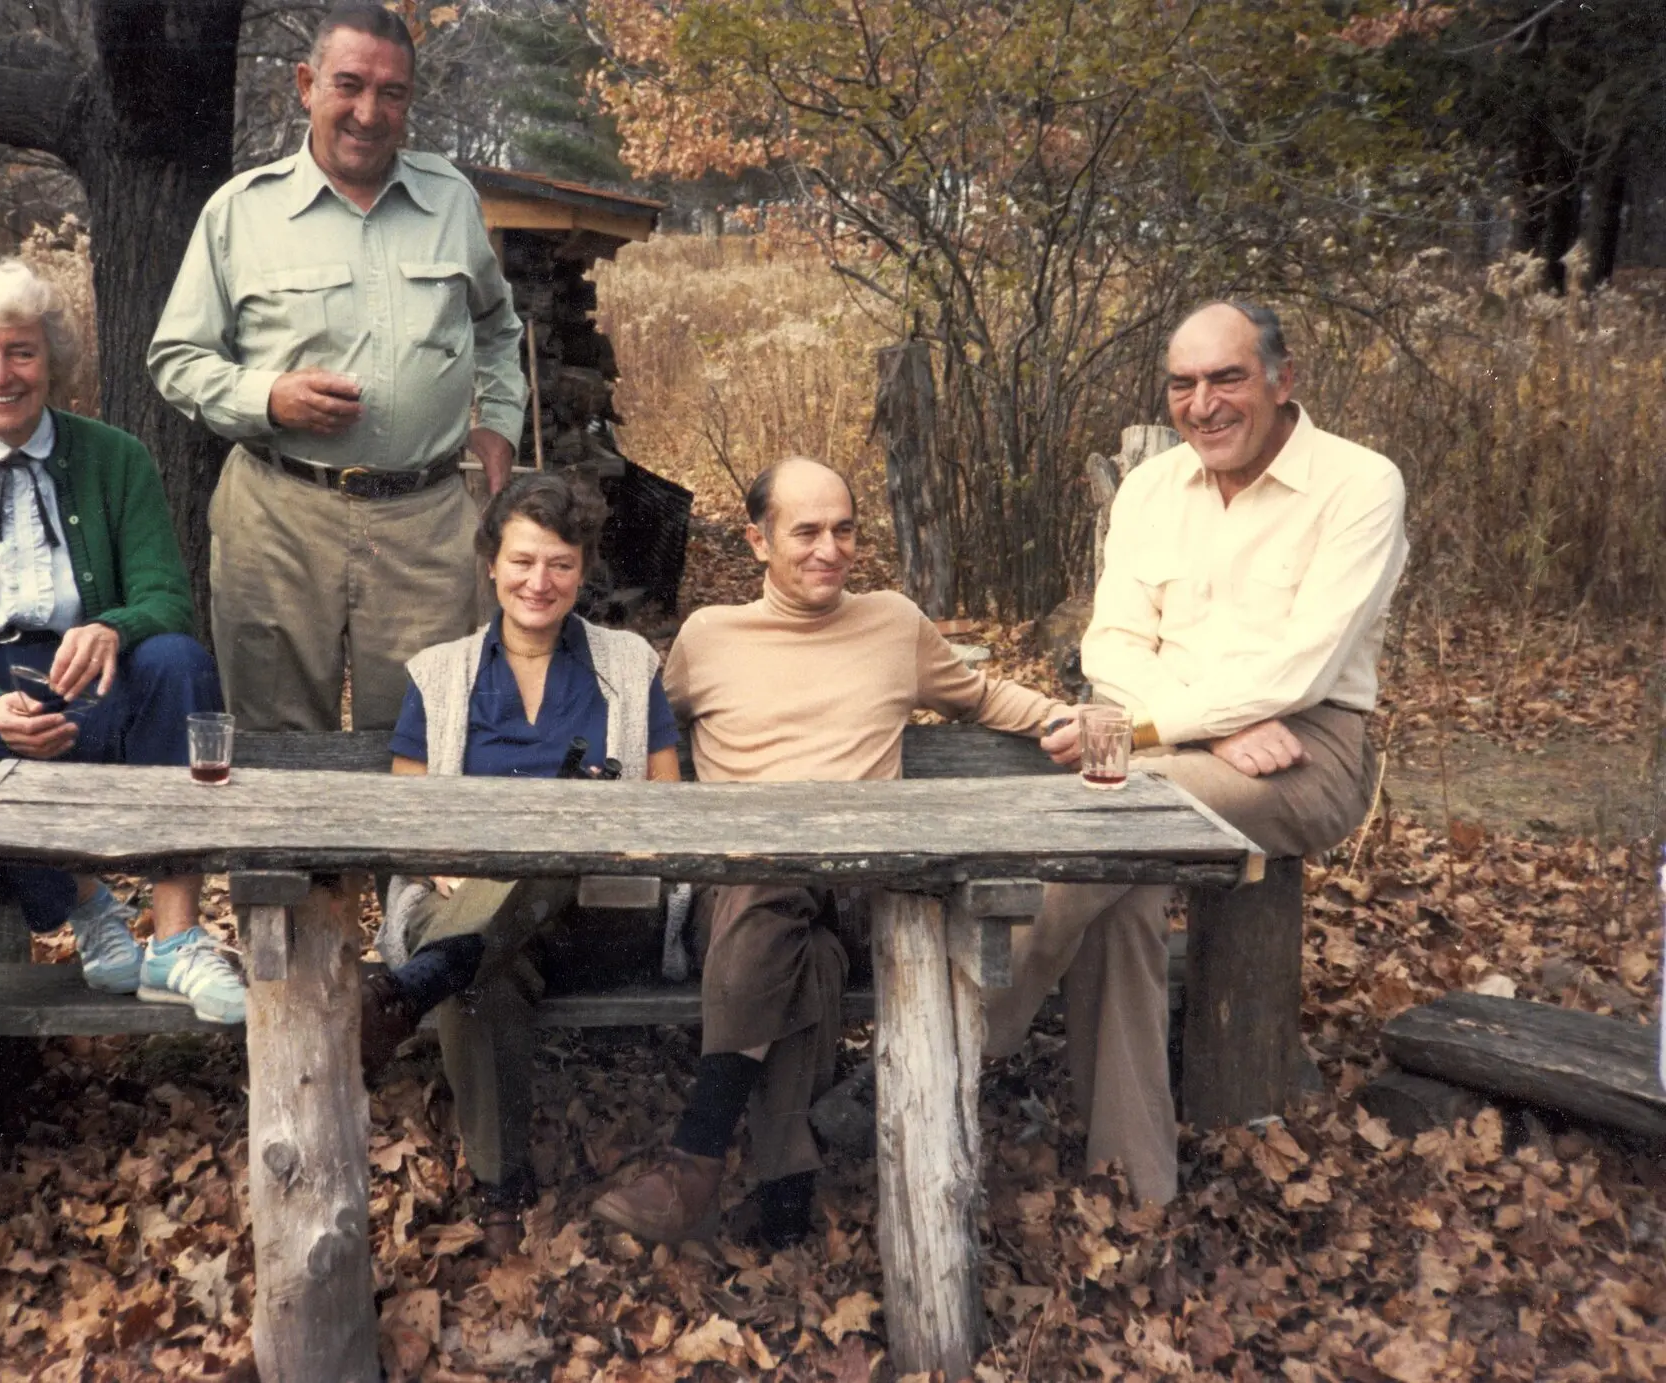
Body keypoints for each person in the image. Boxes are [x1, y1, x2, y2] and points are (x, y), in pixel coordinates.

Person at [589, 457, 1079, 1249]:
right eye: (807, 531)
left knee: (787, 895)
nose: (830, 549)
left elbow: (983, 697)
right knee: (799, 945)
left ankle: (696, 1156)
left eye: (844, 530)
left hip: (863, 888)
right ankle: (785, 1195)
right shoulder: (709, 638)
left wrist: (1063, 717)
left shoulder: (893, 624)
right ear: (758, 540)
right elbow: (633, 729)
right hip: (738, 893)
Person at [984, 300, 1408, 1204]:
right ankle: (1136, 1181)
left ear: (1283, 380)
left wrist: (1172, 725)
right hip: (1179, 739)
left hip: (1304, 751)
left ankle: (970, 1029)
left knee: (1108, 817)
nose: (1203, 404)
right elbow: (1110, 646)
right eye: (1183, 383)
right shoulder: (1151, 489)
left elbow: (1299, 668)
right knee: (1123, 889)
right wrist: (1206, 726)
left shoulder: (1360, 484)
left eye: (1227, 378)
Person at [0, 259, 247, 1026]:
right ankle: (87, 901)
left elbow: (167, 599)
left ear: (52, 360)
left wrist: (114, 626)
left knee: (179, 663)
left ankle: (174, 939)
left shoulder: (116, 456)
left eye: (21, 352)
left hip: (88, 681)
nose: (0, 374)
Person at [147, 2, 527, 735]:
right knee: (276, 744)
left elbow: (498, 328)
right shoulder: (240, 213)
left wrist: (500, 422)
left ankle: (400, 820)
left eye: (391, 93)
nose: (368, 112)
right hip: (280, 520)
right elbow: (177, 358)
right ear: (306, 84)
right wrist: (268, 397)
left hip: (425, 525)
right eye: (348, 85)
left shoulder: (450, 201)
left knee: (424, 738)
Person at [357, 473, 682, 1251]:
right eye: (523, 561)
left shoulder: (627, 665)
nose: (540, 581)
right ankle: (502, 1191)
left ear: (584, 568)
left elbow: (668, 812)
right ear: (492, 564)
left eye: (561, 563)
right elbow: (411, 822)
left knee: (560, 832)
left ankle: (422, 980)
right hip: (465, 904)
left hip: (602, 916)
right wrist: (451, 863)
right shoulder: (441, 675)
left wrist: (590, 827)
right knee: (482, 972)